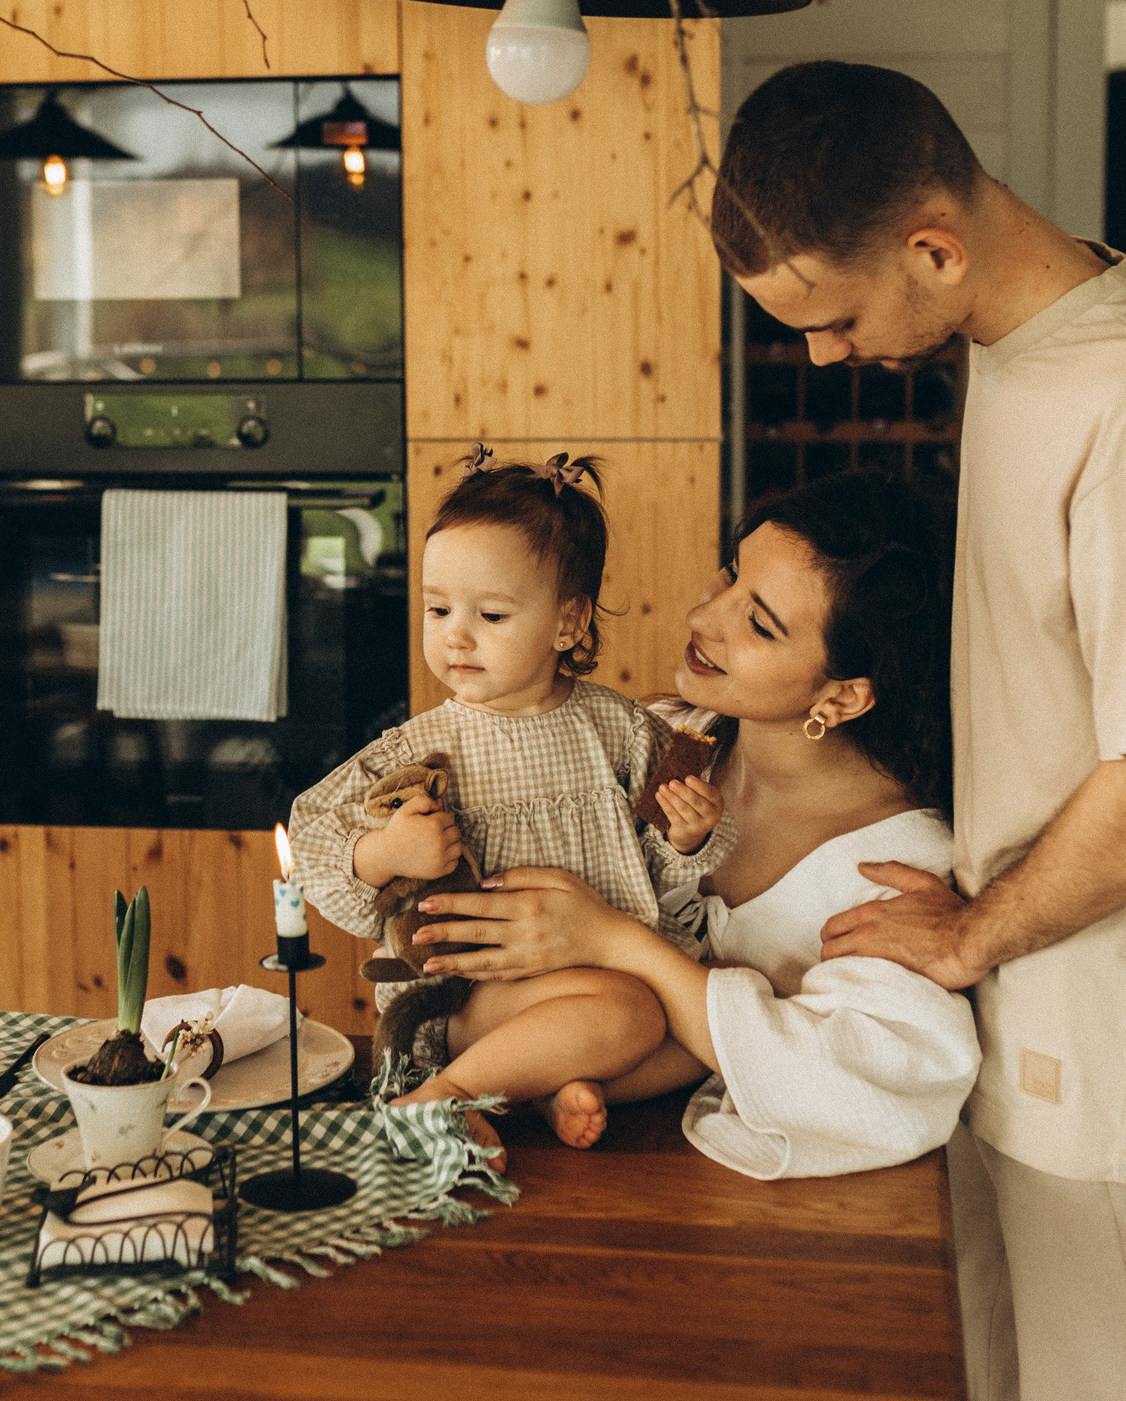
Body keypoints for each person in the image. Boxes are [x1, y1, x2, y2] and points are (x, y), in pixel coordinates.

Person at [718, 60, 1126, 1401]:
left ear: (934, 247)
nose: (823, 355)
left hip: (1110, 1011)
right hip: (1032, 973)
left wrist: (973, 933)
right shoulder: (1018, 346)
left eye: (836, 317)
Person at [409, 469, 983, 1182]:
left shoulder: (895, 869)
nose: (703, 617)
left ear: (841, 696)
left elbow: (873, 1091)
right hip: (534, 1129)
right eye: (731, 576)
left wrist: (610, 939)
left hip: (714, 1202)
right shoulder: (663, 743)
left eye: (760, 623)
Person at [286, 445, 726, 1164]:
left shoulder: (618, 728)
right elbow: (309, 834)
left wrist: (686, 836)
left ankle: (537, 1086)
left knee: (710, 1038)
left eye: (490, 613)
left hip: (600, 977)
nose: (454, 634)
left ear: (568, 623)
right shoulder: (422, 745)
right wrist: (384, 851)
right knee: (640, 1013)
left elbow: (657, 856)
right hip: (469, 997)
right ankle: (445, 1092)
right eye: (437, 608)